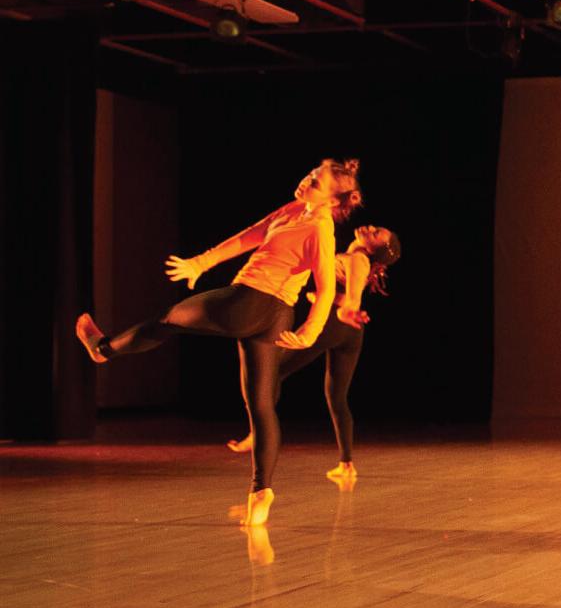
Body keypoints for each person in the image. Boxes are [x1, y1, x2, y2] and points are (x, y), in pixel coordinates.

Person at [76, 159, 363, 525]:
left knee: (167, 320)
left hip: (253, 303)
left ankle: (103, 350)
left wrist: (310, 330)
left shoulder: (321, 230)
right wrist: (201, 263)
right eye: (310, 174)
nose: (306, 180)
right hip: (270, 316)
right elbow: (250, 235)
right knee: (259, 405)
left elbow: (324, 289)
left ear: (333, 202)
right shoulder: (294, 209)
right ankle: (261, 493)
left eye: (316, 182)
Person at [226, 226, 402, 488]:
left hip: (332, 323)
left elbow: (352, 298)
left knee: (271, 370)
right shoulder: (356, 259)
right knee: (337, 396)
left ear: (373, 248)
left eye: (376, 234)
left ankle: (257, 431)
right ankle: (346, 464)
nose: (370, 228)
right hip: (352, 333)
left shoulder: (357, 260)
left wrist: (346, 309)